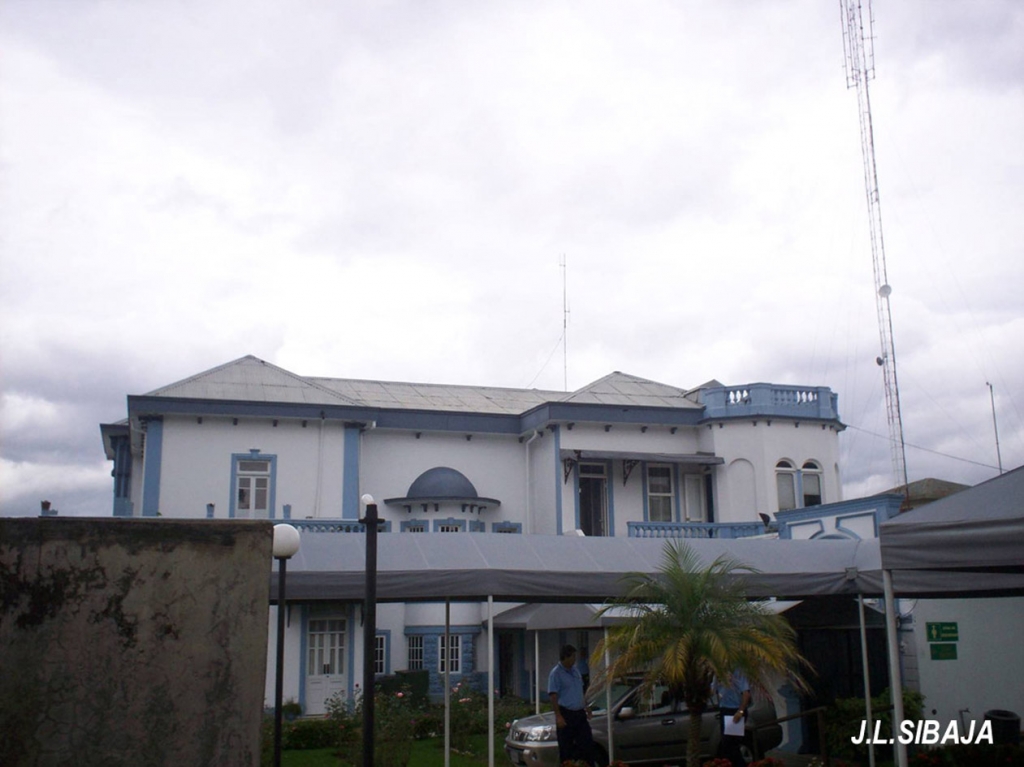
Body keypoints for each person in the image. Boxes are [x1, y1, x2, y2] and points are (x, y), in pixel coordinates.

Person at [548, 644, 595, 766]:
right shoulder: (556, 673)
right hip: (566, 713)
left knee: (586, 744)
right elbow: (553, 696)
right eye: (573, 656)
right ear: (565, 657)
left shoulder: (576, 670)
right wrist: (558, 716)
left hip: (579, 713)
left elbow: (580, 690)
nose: (575, 659)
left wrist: (587, 707)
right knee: (566, 747)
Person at [713, 668, 752, 767]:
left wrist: (740, 711)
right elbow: (713, 690)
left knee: (731, 745)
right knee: (726, 746)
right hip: (724, 710)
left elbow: (746, 693)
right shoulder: (718, 673)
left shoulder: (738, 672)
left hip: (735, 710)